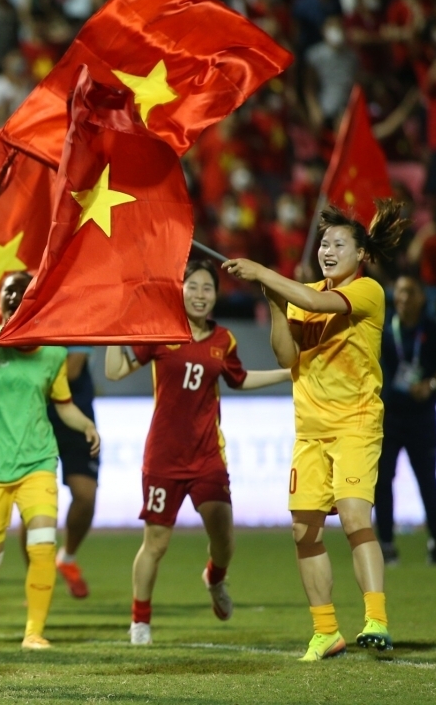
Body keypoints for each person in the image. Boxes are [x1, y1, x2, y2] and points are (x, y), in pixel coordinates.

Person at [224, 201, 409, 661]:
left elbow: (315, 302)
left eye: (338, 244)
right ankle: (326, 631)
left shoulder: (367, 291)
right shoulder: (301, 294)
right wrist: (273, 300)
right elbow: (288, 356)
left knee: (353, 516)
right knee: (303, 532)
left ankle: (376, 619)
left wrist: (264, 273)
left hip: (355, 425)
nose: (327, 250)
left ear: (360, 254)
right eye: (324, 243)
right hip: (309, 430)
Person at [105, 260, 291, 645]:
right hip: (163, 458)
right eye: (193, 287)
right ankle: (140, 622)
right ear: (181, 291)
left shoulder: (224, 340)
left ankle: (215, 577)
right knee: (155, 543)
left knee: (224, 540)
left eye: (208, 288)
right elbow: (114, 372)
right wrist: (110, 334)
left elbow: (239, 379)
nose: (200, 295)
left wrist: (288, 374)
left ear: (216, 296)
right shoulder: (162, 332)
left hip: (207, 455)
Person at [0, 272, 101, 650]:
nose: (17, 297)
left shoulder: (52, 353)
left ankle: (34, 632)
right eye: (10, 291)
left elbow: (63, 405)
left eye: (25, 292)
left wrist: (86, 425)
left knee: (43, 544)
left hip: (38, 461)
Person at [376, 274, 436, 565]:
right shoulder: (384, 328)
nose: (403, 298)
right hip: (389, 417)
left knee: (427, 481)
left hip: (421, 417)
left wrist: (430, 385)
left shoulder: (433, 331)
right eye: (399, 292)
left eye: (409, 292)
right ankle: (385, 543)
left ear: (421, 297)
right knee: (383, 481)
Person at [50, 346, 98, 599]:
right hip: (38, 415)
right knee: (34, 502)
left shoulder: (78, 323)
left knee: (86, 496)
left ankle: (67, 557)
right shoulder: (29, 321)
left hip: (76, 413)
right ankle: (36, 579)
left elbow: (72, 371)